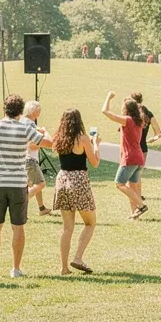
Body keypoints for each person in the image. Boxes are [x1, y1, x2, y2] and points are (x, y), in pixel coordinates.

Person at [0, 94, 49, 279]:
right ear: (20, 111)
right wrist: (45, 133)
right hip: (18, 183)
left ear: (4, 109)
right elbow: (46, 143)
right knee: (18, 227)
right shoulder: (25, 127)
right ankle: (16, 269)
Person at [52, 108, 101, 274]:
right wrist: (96, 145)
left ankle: (64, 267)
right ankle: (78, 257)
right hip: (78, 180)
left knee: (67, 228)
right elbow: (94, 163)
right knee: (90, 222)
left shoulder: (59, 138)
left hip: (62, 179)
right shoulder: (83, 139)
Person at [102, 91, 147, 219]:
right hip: (138, 158)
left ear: (127, 110)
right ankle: (134, 213)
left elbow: (105, 111)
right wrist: (126, 101)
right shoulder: (138, 120)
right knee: (131, 187)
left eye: (123, 107)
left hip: (130, 158)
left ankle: (141, 206)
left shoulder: (127, 120)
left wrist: (108, 97)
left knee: (119, 184)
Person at [23, 100, 51, 215]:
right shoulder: (29, 124)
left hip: (24, 159)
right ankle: (20, 202)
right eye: (38, 110)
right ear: (33, 111)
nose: (40, 112)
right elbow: (32, 145)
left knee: (34, 184)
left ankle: (41, 208)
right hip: (30, 158)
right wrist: (44, 134)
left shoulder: (25, 122)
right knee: (40, 184)